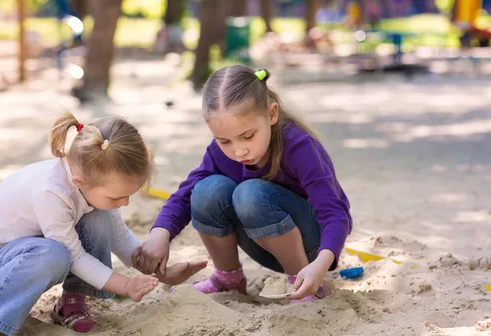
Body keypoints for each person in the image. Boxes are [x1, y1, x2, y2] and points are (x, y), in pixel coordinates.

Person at [0, 112, 206, 336]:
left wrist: (157, 271)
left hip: (33, 250)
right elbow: (72, 255)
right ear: (79, 182)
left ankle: (72, 300)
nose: (125, 203)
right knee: (55, 253)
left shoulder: (91, 180)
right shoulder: (51, 193)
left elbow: (117, 234)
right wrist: (126, 286)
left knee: (99, 219)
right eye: (118, 197)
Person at [134, 65, 352, 302]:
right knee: (205, 190)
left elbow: (335, 213)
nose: (239, 150)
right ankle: (228, 281)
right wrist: (159, 235)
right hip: (263, 244)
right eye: (225, 140)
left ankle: (302, 286)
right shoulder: (220, 153)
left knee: (249, 193)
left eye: (247, 136)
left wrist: (320, 265)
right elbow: (186, 193)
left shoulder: (299, 146)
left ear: (272, 114)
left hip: (313, 253)